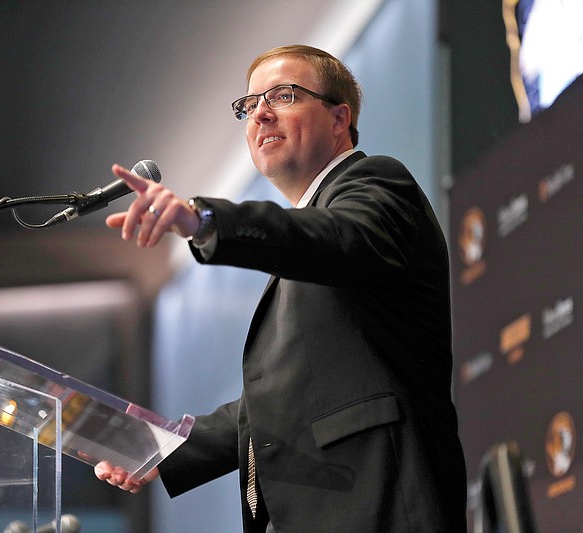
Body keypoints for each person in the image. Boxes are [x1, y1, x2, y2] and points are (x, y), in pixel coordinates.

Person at [95, 44, 467, 532]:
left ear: (339, 118)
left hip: (381, 506)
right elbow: (274, 404)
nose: (261, 113)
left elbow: (338, 239)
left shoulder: (376, 183)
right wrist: (158, 449)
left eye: (284, 95)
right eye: (249, 106)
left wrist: (206, 220)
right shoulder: (304, 239)